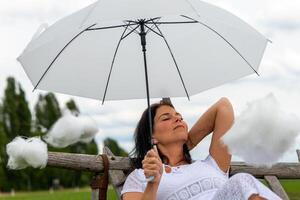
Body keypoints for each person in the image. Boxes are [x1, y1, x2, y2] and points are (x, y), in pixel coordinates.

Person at [121, 98, 282, 200]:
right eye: (166, 118)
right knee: (241, 181)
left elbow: (223, 106)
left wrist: (188, 141)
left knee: (241, 182)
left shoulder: (212, 165)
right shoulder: (140, 177)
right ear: (151, 137)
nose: (177, 118)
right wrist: (153, 183)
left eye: (180, 117)